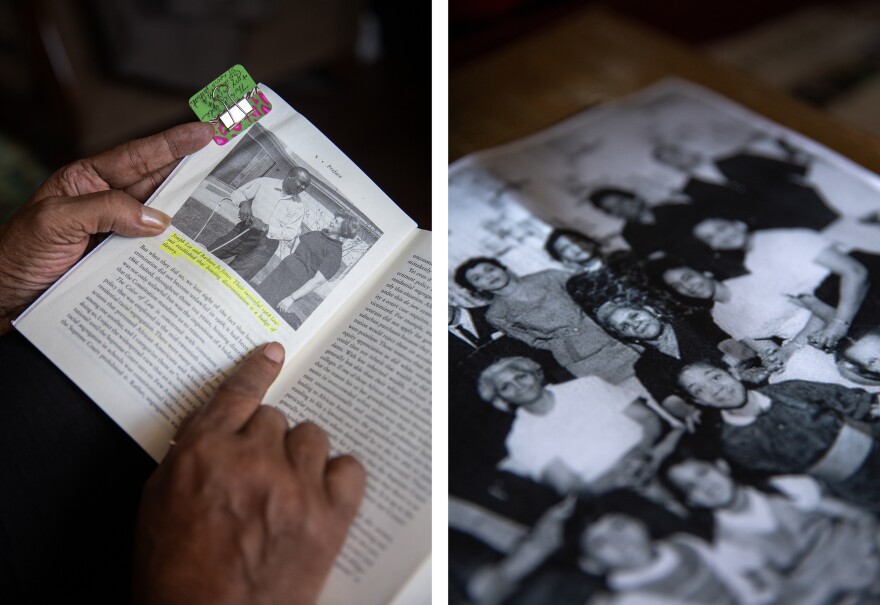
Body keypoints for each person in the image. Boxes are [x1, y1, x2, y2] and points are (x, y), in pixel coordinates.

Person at [0, 122, 365, 604]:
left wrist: (5, 298)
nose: (298, 189)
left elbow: (291, 237)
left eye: (302, 187)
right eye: (295, 183)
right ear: (290, 179)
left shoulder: (308, 222)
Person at [663, 455, 880, 605]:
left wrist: (869, 554)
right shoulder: (729, 546)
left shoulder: (786, 488)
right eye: (691, 487)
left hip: (869, 553)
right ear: (692, 501)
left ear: (721, 466)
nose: (706, 486)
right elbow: (785, 596)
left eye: (703, 473)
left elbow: (858, 516)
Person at [676, 361, 880, 512]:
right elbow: (795, 484)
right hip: (856, 491)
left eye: (716, 377)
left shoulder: (791, 390)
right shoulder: (736, 443)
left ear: (733, 373)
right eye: (700, 390)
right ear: (699, 402)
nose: (715, 388)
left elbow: (860, 404)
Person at [476, 356, 672, 497]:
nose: (518, 386)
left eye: (521, 376)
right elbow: (570, 486)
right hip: (615, 490)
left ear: (537, 374)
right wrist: (620, 477)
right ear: (501, 399)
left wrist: (641, 453)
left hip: (656, 452)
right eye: (506, 386)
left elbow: (647, 418)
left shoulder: (587, 386)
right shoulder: (520, 439)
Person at [690, 219, 869, 351]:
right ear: (713, 246)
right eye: (711, 237)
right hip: (843, 304)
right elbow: (807, 299)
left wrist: (840, 323)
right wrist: (832, 326)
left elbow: (856, 272)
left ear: (739, 224)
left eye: (721, 228)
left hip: (867, 284)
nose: (722, 237)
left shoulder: (783, 237)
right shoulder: (754, 264)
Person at [454, 257, 639, 383]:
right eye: (478, 278)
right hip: (582, 360)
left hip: (615, 340)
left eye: (490, 269)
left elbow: (593, 297)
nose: (489, 277)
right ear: (476, 288)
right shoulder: (495, 314)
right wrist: (562, 344)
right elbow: (532, 341)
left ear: (502, 267)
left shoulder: (550, 276)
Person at [206, 166, 314, 279]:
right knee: (209, 254)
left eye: (306, 186)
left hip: (265, 246)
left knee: (233, 279)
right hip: (244, 231)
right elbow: (238, 193)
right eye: (301, 183)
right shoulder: (265, 183)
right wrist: (244, 203)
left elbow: (291, 233)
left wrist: (265, 227)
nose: (303, 187)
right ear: (290, 176)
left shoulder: (298, 207)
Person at [256, 211, 358, 328]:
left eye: (336, 222)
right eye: (333, 218)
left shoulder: (335, 253)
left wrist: (292, 297)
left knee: (266, 312)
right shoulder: (316, 234)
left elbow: (317, 281)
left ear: (343, 230)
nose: (331, 221)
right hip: (281, 271)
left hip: (293, 283)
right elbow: (299, 244)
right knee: (258, 297)